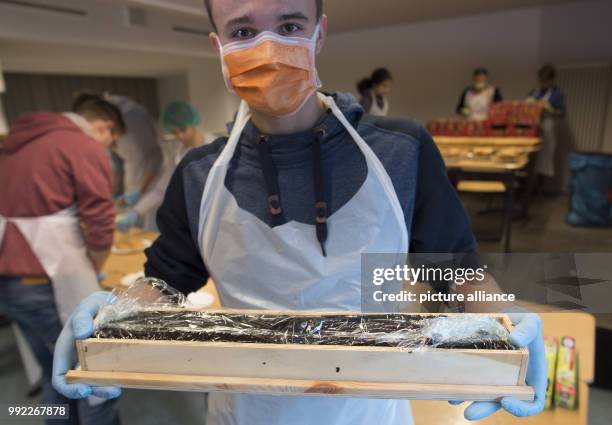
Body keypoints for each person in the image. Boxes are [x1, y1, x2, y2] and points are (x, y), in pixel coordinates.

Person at [53, 1, 546, 424]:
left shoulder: (400, 151)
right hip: (245, 408)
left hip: (370, 408)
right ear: (218, 46)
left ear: (319, 33)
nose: (268, 50)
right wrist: (113, 313)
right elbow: (166, 281)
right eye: (243, 32)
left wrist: (501, 320)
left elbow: (455, 272)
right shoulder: (200, 174)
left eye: (289, 26)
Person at [0, 95, 125, 425]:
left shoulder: (13, 145)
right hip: (47, 282)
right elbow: (100, 222)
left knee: (52, 368)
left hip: (10, 282)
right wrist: (94, 270)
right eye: (111, 143)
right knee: (92, 371)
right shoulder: (79, 145)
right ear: (105, 127)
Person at [117, 101, 208, 233]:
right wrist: (136, 211)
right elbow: (160, 191)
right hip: (189, 217)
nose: (180, 136)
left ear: (193, 123)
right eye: (175, 132)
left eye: (183, 130)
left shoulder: (216, 148)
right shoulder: (178, 155)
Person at [104, 94, 164, 227]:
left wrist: (139, 191)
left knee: (150, 226)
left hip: (149, 188)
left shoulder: (134, 118)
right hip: (134, 186)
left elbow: (155, 159)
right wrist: (116, 193)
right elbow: (117, 164)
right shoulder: (117, 140)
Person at [527, 64, 566, 178]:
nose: (542, 83)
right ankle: (527, 187)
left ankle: (537, 189)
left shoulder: (557, 94)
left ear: (551, 80)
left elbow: (562, 113)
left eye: (545, 81)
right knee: (530, 158)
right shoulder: (534, 92)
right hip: (532, 128)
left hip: (547, 127)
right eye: (541, 80)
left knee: (544, 159)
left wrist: (550, 109)